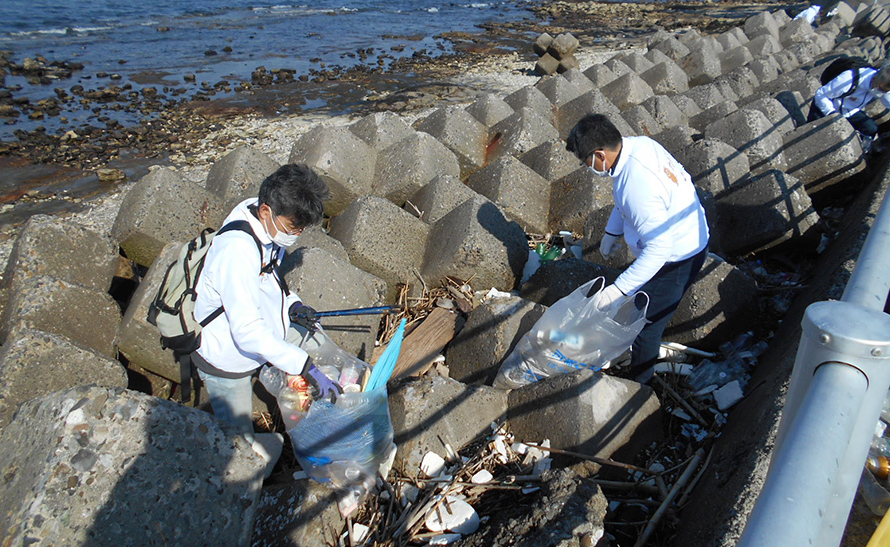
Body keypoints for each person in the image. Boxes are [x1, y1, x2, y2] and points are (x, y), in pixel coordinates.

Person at [192, 163, 341, 476]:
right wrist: (303, 366)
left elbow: (268, 279)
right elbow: (246, 332)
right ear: (265, 211)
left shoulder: (264, 222)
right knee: (236, 444)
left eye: (301, 229)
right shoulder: (237, 250)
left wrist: (293, 304)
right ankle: (239, 495)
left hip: (257, 334)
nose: (295, 235)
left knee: (307, 341)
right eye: (292, 228)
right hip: (224, 355)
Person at [566, 113, 710, 382]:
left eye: (585, 160)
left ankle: (639, 387)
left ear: (599, 155)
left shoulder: (638, 185)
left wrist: (618, 290)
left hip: (677, 259)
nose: (586, 166)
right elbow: (624, 202)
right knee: (640, 308)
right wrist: (612, 230)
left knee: (645, 326)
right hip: (686, 238)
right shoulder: (638, 147)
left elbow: (659, 250)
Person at [809, 60, 890, 152]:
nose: (880, 92)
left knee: (871, 129)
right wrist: (832, 114)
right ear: (874, 78)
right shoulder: (849, 78)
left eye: (884, 91)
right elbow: (821, 94)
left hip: (850, 110)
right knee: (817, 137)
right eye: (880, 89)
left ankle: (863, 151)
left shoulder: (884, 85)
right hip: (827, 108)